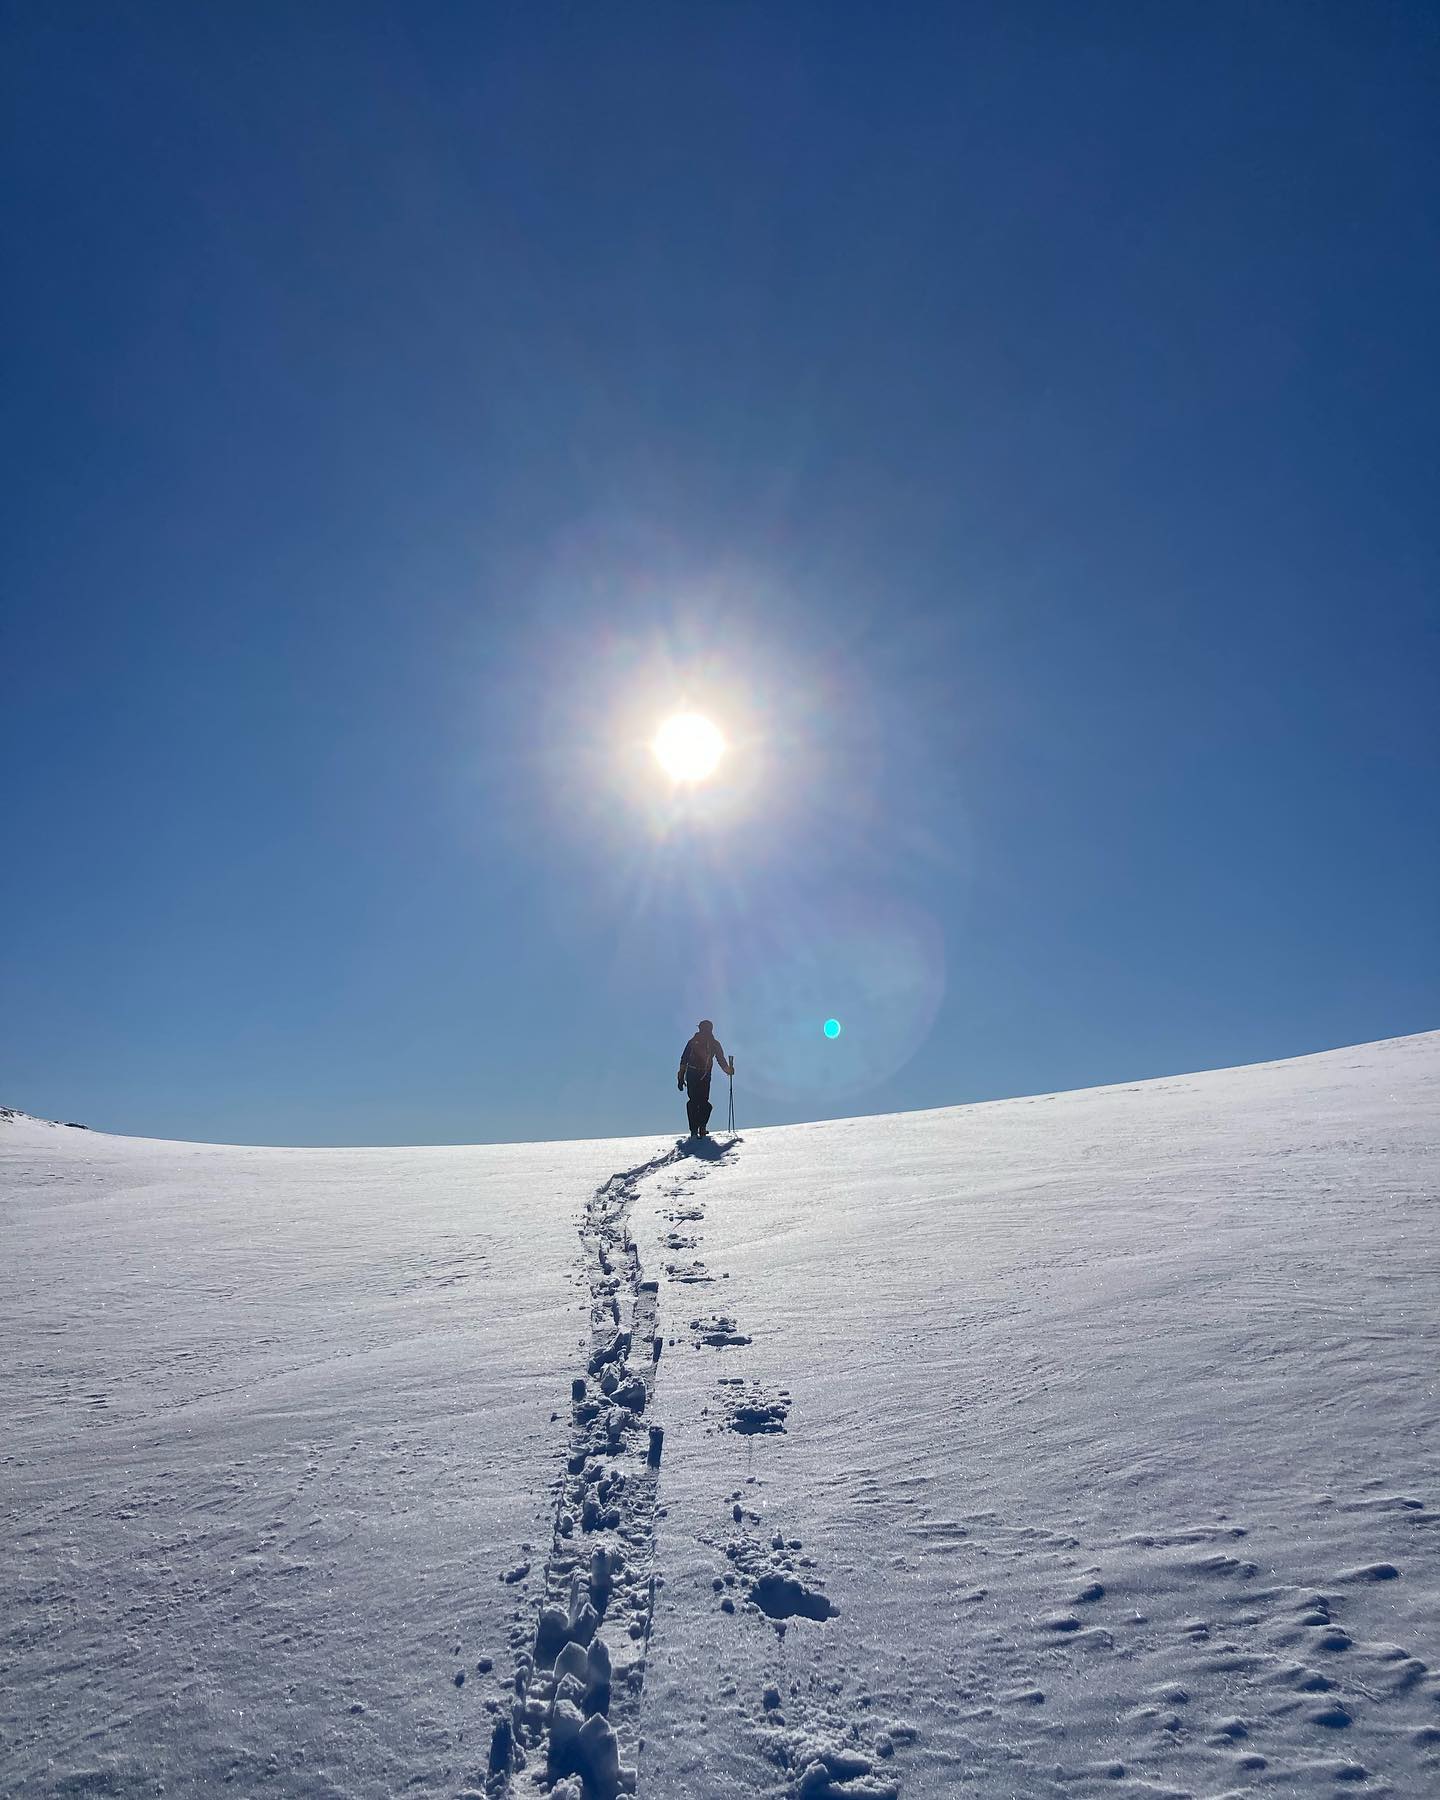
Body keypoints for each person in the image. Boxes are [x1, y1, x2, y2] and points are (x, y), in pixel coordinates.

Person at [677, 1019, 733, 1138]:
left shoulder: (692, 1042)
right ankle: (702, 1128)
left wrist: (680, 1078)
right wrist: (728, 1070)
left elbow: (684, 1059)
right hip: (705, 1076)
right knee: (704, 1102)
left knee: (693, 1101)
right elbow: (720, 1059)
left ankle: (694, 1130)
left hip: (692, 1074)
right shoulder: (714, 1043)